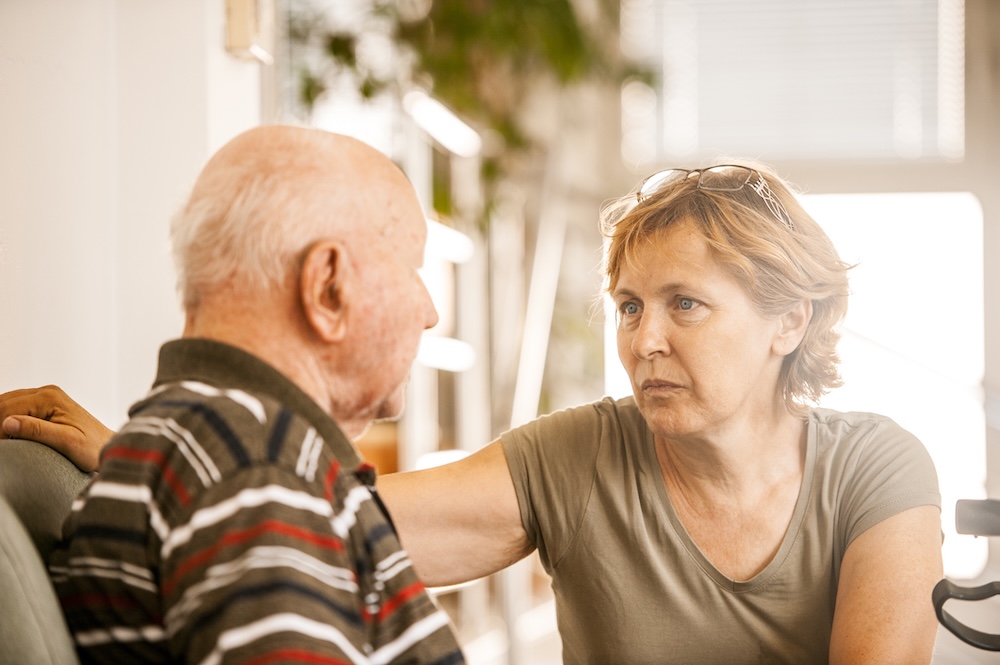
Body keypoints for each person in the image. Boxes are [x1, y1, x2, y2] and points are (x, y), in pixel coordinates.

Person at [2, 163, 942, 664]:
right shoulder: (577, 454)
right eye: (627, 304)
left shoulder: (879, 469)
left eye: (684, 304)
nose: (643, 338)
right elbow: (338, 517)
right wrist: (149, 449)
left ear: (789, 321)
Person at [6, 125, 465, 664]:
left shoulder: (231, 457)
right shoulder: (258, 474)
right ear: (328, 286)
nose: (429, 312)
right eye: (412, 269)